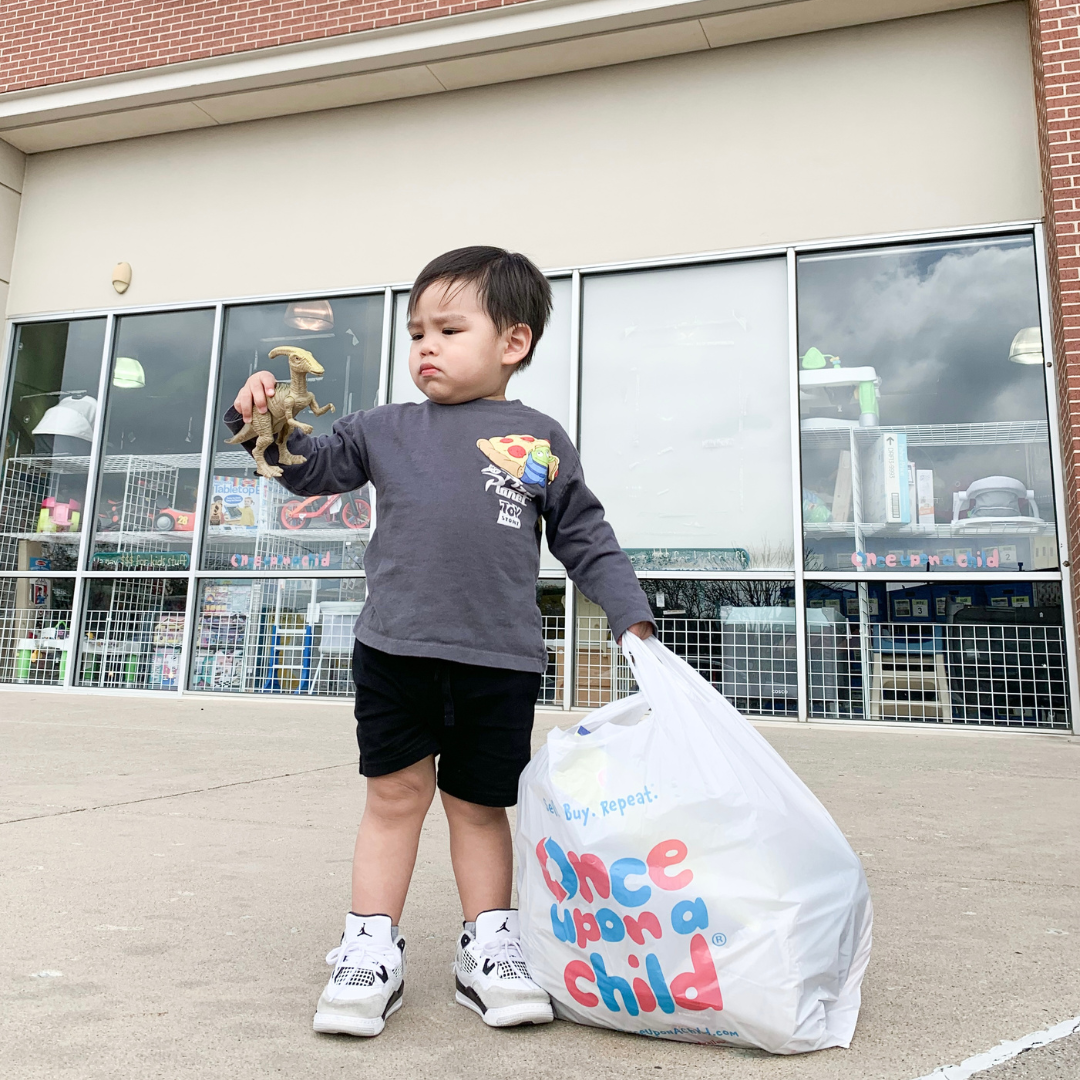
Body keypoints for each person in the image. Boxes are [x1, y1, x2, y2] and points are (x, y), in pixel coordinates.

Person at [228, 246, 655, 1038]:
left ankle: (489, 946)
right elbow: (304, 466)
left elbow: (585, 535)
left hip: (499, 661)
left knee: (479, 806)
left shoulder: (538, 439)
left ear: (513, 343)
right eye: (417, 330)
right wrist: (255, 420)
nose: (425, 344)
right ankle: (367, 950)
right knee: (393, 799)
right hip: (394, 651)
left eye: (449, 328)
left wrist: (630, 616)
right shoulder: (382, 429)